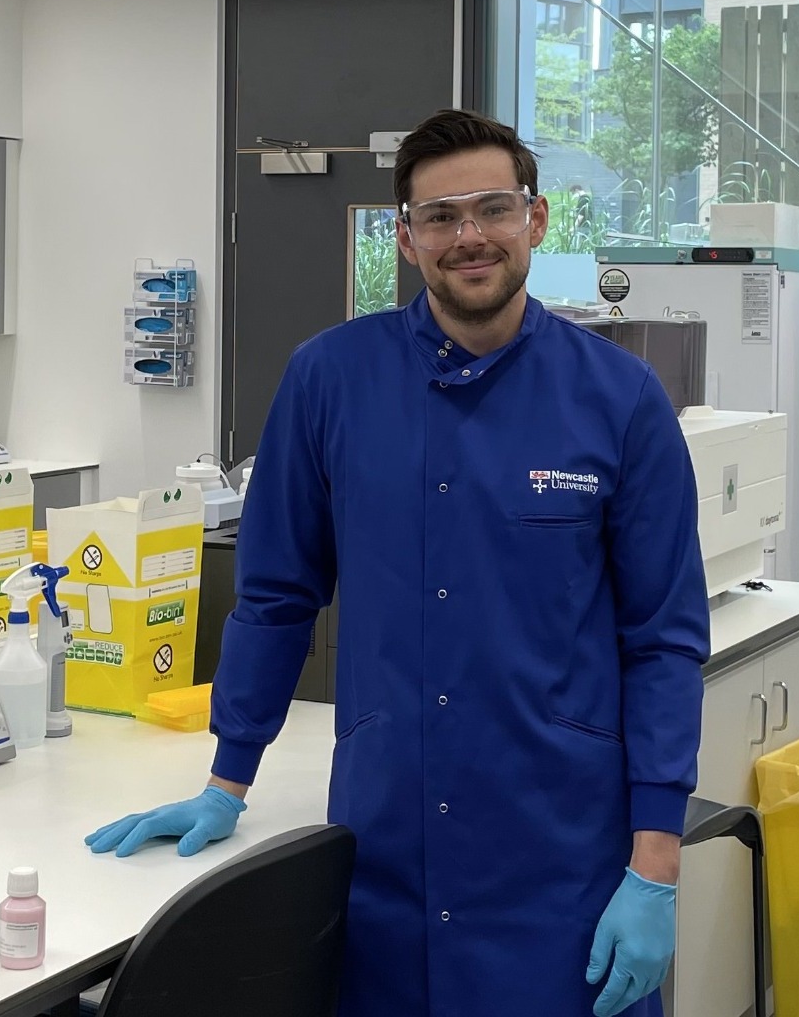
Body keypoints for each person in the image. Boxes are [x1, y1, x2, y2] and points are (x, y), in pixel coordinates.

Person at [86, 109, 709, 1017]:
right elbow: (275, 595)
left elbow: (662, 641)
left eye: (493, 208)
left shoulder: (619, 398)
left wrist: (655, 869)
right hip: (385, 852)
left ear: (535, 220)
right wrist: (228, 777)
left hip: (563, 855)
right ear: (406, 238)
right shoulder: (329, 379)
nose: (469, 236)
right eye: (440, 216)